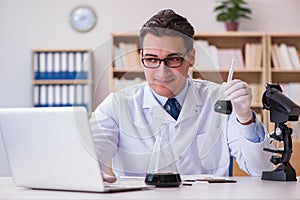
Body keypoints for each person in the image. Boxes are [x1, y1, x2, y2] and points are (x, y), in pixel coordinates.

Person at [89, 9, 273, 180]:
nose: (162, 72)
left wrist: (245, 118)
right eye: (152, 59)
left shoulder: (221, 99)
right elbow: (91, 153)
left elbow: (262, 169)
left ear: (191, 57)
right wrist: (90, 171)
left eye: (173, 59)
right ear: (141, 57)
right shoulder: (116, 105)